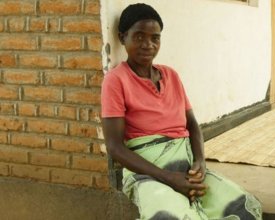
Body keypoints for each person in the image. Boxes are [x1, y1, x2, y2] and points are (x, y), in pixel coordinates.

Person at [101, 3, 262, 220]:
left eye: (155, 38)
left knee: (243, 208)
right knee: (170, 216)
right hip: (147, 172)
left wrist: (200, 162)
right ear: (122, 38)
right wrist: (168, 177)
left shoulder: (171, 76)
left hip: (186, 167)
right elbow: (115, 147)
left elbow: (192, 124)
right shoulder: (116, 80)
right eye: (139, 37)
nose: (148, 44)